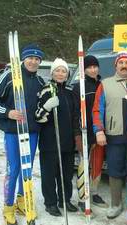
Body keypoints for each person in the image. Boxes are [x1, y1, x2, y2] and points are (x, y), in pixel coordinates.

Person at [0, 44, 45, 225]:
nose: (33, 62)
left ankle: (21, 200)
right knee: (14, 169)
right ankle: (8, 206)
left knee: (27, 169)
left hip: (32, 132)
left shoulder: (40, 82)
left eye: (37, 59)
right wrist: (7, 112)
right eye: (30, 58)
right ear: (23, 59)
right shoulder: (10, 76)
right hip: (12, 132)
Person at [92, 51, 127, 219]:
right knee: (114, 170)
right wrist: (99, 130)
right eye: (120, 62)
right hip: (114, 135)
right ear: (115, 65)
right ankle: (116, 204)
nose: (124, 65)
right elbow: (97, 109)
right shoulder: (105, 84)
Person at [35, 58, 80, 216]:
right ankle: (50, 202)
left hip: (67, 141)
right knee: (49, 173)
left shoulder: (69, 92)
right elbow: (38, 116)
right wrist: (47, 106)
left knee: (66, 174)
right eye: (58, 71)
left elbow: (74, 115)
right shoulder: (45, 90)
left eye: (64, 71)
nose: (61, 74)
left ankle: (65, 200)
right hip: (50, 141)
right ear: (52, 73)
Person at [72, 55, 108, 211]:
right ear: (84, 69)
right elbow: (74, 113)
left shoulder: (103, 85)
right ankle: (82, 196)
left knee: (97, 163)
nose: (93, 70)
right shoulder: (77, 87)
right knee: (83, 164)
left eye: (95, 67)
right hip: (84, 131)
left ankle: (93, 192)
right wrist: (77, 134)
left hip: (99, 131)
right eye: (89, 67)